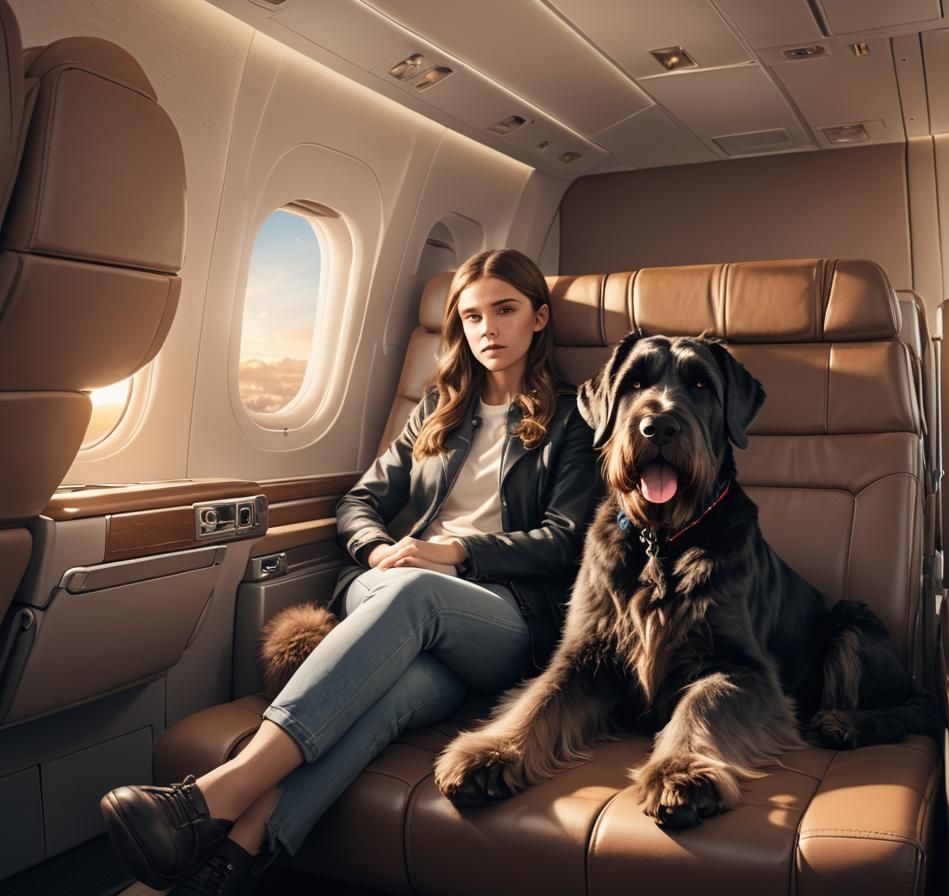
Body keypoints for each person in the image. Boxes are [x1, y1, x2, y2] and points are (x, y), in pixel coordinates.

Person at [99, 248, 601, 895]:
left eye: (504, 311)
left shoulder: (572, 418)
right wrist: (375, 549)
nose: (488, 329)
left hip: (500, 615)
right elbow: (359, 502)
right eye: (472, 316)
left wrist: (455, 552)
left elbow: (566, 540)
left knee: (418, 592)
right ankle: (231, 863)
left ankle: (210, 799)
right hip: (391, 586)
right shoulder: (438, 408)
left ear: (538, 317)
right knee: (393, 691)